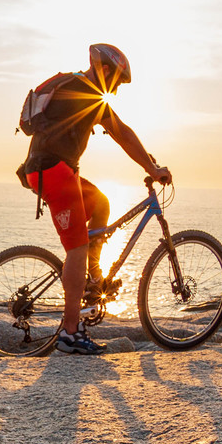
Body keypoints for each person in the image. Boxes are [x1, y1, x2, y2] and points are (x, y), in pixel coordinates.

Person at [18, 44, 172, 355]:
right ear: (104, 70)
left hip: (47, 170)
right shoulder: (86, 92)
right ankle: (71, 333)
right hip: (55, 172)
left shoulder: (74, 85)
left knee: (100, 203)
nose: (115, 89)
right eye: (116, 81)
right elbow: (122, 132)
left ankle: (92, 274)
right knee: (77, 246)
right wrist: (152, 168)